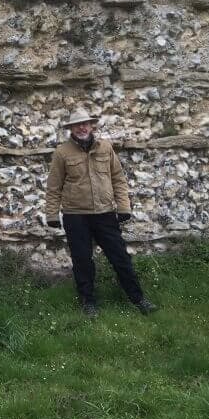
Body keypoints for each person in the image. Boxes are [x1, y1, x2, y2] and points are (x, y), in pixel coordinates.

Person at [44, 110, 158, 318]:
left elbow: (118, 178)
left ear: (91, 125)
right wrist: (52, 214)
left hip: (105, 214)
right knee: (82, 261)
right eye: (77, 124)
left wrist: (124, 207)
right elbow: (54, 186)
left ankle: (138, 298)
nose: (82, 127)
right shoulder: (62, 152)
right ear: (70, 128)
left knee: (121, 258)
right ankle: (88, 302)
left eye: (85, 123)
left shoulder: (105, 147)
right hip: (75, 216)